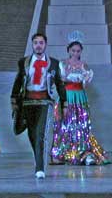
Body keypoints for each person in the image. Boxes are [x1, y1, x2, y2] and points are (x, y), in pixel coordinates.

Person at [11, 33, 67, 178]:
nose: (38, 45)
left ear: (45, 45)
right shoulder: (24, 62)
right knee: (32, 134)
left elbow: (60, 85)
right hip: (27, 101)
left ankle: (40, 168)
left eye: (41, 42)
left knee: (40, 134)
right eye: (36, 42)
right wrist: (14, 101)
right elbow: (18, 82)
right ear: (32, 44)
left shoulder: (54, 63)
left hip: (44, 102)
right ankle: (38, 160)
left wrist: (64, 104)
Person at [51, 31, 110, 165]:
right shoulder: (62, 64)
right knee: (66, 125)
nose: (76, 53)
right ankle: (64, 152)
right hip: (66, 96)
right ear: (69, 50)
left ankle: (83, 152)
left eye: (78, 51)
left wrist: (83, 78)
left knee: (81, 125)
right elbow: (60, 80)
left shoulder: (84, 65)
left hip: (79, 96)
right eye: (73, 50)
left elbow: (85, 82)